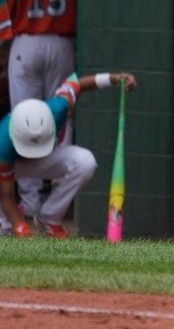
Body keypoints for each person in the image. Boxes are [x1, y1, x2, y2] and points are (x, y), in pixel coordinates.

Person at [0, 0, 77, 230]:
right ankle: (58, 199)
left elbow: (4, 23)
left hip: (25, 43)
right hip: (61, 44)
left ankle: (29, 200)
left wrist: (4, 60)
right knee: (63, 114)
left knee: (24, 117)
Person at [0, 70, 137, 238]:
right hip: (13, 164)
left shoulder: (59, 108)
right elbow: (6, 195)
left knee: (84, 161)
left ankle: (49, 219)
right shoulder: (4, 141)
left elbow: (77, 84)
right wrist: (22, 229)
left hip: (44, 159)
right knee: (7, 227)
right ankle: (5, 223)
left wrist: (112, 78)